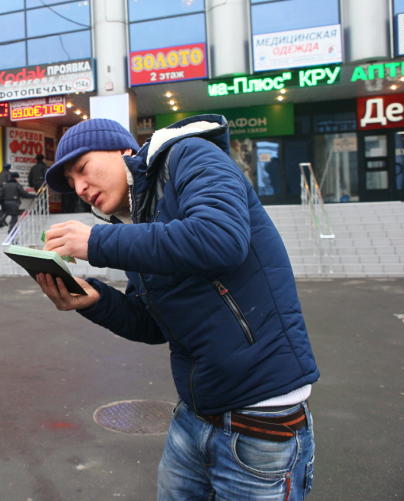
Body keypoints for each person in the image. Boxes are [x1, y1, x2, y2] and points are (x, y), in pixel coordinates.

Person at [36, 117, 319, 501]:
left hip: (261, 418)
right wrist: (96, 300)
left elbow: (221, 238)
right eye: (71, 184)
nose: (80, 188)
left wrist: (100, 241)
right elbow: (155, 326)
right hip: (194, 416)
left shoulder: (190, 155)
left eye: (82, 169)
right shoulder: (137, 219)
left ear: (123, 151)